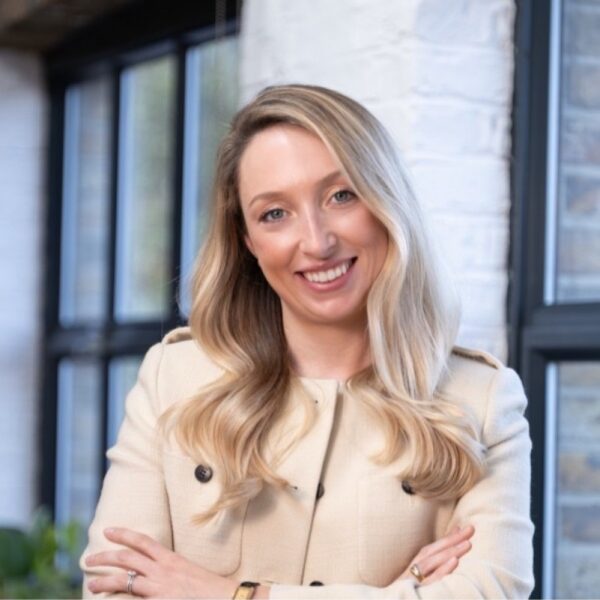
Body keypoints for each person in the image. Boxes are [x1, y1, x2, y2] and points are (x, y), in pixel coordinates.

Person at [80, 84, 534, 599]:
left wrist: (231, 595)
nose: (317, 242)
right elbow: (112, 588)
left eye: (342, 196)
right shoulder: (173, 377)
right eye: (275, 213)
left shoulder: (481, 399)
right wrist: (404, 592)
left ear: (386, 200)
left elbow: (492, 591)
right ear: (247, 241)